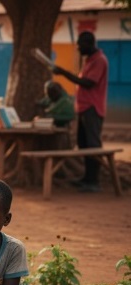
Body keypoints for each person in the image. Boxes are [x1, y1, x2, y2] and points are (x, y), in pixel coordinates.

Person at [53, 31, 108, 193]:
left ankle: (94, 181)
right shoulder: (89, 61)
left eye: (80, 45)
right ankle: (87, 178)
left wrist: (63, 73)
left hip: (93, 108)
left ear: (89, 44)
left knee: (93, 144)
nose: (78, 48)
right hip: (83, 108)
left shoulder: (99, 60)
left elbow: (88, 83)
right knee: (83, 144)